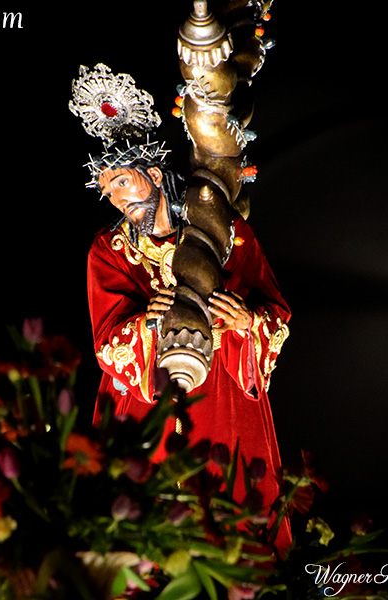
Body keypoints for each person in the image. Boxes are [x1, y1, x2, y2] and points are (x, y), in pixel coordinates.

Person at [71, 64, 292, 549]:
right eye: (108, 191)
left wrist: (246, 322)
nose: (115, 199)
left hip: (222, 395)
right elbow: (108, 344)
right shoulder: (109, 251)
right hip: (145, 402)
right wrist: (147, 325)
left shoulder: (227, 233)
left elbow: (276, 315)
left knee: (231, 520)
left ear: (153, 174)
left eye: (121, 182)